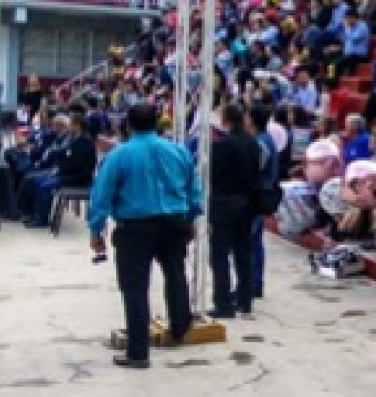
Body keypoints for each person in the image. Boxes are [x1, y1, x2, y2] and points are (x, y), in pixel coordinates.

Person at [88, 103, 202, 369]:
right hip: (174, 222)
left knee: (135, 287)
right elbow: (194, 190)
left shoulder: (119, 155)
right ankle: (180, 327)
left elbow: (102, 196)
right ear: (157, 123)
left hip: (135, 228)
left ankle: (138, 352)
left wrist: (96, 230)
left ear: (128, 124)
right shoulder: (179, 151)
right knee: (175, 273)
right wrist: (190, 218)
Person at [207, 103, 264, 319]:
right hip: (246, 204)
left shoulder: (221, 145)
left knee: (220, 255)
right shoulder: (253, 143)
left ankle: (223, 303)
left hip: (224, 204)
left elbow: (214, 175)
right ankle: (244, 300)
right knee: (244, 253)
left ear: (225, 119)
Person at [246, 104, 279, 300]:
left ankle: (253, 283)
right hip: (260, 195)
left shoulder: (261, 143)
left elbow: (254, 170)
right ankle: (254, 282)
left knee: (252, 242)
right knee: (255, 241)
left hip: (258, 196)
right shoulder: (264, 140)